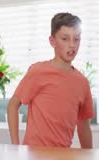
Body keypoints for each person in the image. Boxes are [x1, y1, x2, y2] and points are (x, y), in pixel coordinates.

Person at [7, 13, 94, 148]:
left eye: (76, 39)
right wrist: (15, 146)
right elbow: (13, 105)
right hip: (34, 155)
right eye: (65, 39)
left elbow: (83, 126)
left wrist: (89, 155)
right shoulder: (38, 71)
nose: (72, 45)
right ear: (52, 41)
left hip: (63, 155)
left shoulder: (82, 82)